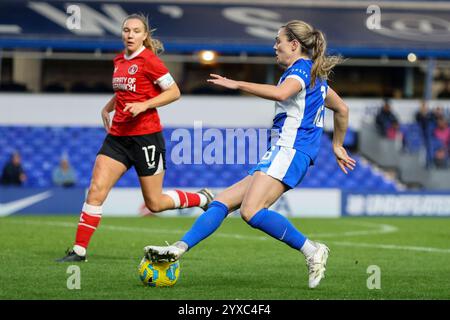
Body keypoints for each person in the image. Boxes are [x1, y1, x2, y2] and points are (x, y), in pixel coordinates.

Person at [144, 20, 356, 289]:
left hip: (291, 150)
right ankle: (177, 249)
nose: (274, 46)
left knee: (251, 211)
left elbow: (281, 93)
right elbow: (343, 109)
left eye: (278, 41)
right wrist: (336, 144)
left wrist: (237, 84)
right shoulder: (314, 76)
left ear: (294, 45)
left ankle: (312, 250)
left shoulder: (300, 71)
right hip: (282, 151)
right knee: (221, 202)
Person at [57, 14, 213, 262]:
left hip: (146, 139)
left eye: (135, 31)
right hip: (118, 137)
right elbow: (124, 90)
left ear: (144, 36)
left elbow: (174, 92)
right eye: (126, 30)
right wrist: (108, 106)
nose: (130, 34)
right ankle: (79, 250)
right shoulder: (118, 60)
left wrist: (144, 105)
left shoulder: (149, 61)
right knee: (96, 189)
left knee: (155, 203)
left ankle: (202, 198)